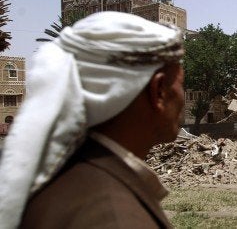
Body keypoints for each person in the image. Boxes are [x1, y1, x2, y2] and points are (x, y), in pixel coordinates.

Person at [0, 11, 185, 228]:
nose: (182, 96)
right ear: (159, 91)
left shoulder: (67, 178)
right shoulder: (112, 216)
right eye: (181, 84)